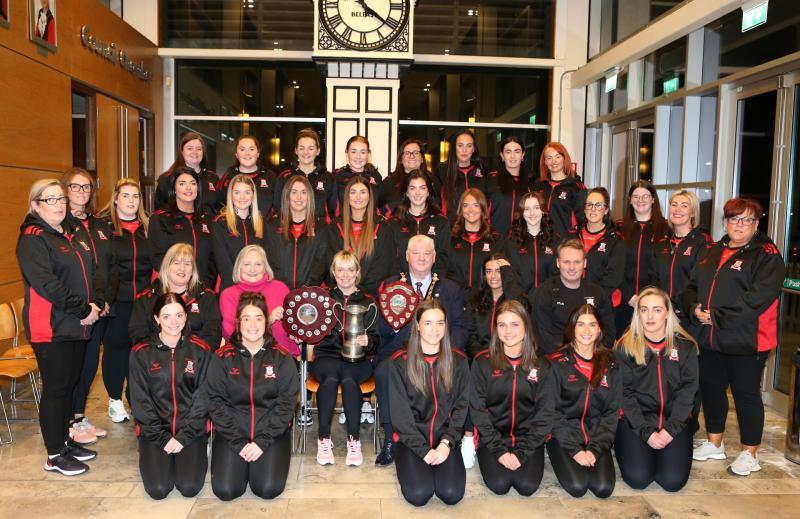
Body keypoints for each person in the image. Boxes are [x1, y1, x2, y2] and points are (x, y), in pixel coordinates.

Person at [684, 198, 785, 476]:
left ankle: (749, 452)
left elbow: (758, 299)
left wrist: (715, 316)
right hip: (710, 337)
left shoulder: (766, 255)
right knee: (711, 388)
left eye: (746, 220)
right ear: (725, 221)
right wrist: (694, 308)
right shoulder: (714, 249)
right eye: (733, 219)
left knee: (745, 395)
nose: (739, 225)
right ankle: (715, 442)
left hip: (746, 339)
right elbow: (692, 285)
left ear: (756, 224)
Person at [16, 179, 104, 476]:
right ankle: (54, 454)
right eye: (50, 199)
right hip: (52, 328)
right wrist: (83, 309)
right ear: (35, 205)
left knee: (69, 387)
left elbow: (89, 271)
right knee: (56, 390)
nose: (58, 204)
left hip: (77, 324)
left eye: (60, 199)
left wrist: (93, 305)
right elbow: (47, 285)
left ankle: (65, 441)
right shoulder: (33, 238)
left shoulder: (67, 233)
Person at [375, 235, 468, 466]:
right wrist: (396, 324)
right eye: (416, 253)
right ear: (406, 256)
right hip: (398, 354)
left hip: (438, 353)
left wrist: (447, 352)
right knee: (385, 372)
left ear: (434, 257)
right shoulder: (391, 285)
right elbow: (381, 329)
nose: (421, 258)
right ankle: (390, 437)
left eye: (427, 253)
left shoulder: (450, 288)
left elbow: (458, 326)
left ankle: (443, 436)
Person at [205, 292, 298, 500]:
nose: (252, 324)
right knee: (226, 491)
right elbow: (215, 402)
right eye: (246, 318)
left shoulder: (282, 358)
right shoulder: (222, 358)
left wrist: (262, 442)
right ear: (238, 323)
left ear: (267, 322)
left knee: (267, 489)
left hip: (271, 433)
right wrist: (238, 442)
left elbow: (287, 404)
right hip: (232, 434)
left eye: (259, 318)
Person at [614, 287, 698, 492]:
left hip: (673, 422)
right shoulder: (624, 347)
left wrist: (671, 431)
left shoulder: (686, 347)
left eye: (657, 310)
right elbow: (624, 394)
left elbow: (688, 392)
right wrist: (647, 433)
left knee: (672, 482)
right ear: (638, 313)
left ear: (668, 313)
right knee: (639, 479)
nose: (650, 316)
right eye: (644, 310)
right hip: (636, 422)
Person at [129, 293, 211, 500]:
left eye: (179, 315)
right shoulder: (141, 352)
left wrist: (184, 436)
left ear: (186, 317)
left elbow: (204, 398)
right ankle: (153, 453)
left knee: (189, 487)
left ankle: (196, 450)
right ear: (156, 319)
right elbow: (139, 400)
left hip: (191, 430)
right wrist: (161, 438)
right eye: (166, 316)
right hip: (155, 431)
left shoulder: (201, 350)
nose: (173, 322)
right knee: (158, 489)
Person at [389, 299, 470, 506]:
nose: (435, 329)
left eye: (440, 323)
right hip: (411, 441)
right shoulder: (399, 363)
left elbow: (461, 407)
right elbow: (400, 416)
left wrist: (446, 443)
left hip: (444, 440)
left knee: (451, 494)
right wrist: (423, 450)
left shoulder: (458, 361)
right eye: (428, 323)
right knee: (419, 495)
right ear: (417, 325)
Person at [470, 300, 554, 496]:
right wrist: (499, 450)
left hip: (529, 439)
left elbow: (545, 413)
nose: (508, 331)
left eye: (514, 324)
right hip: (492, 439)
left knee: (527, 487)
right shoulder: (482, 362)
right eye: (502, 325)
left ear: (526, 326)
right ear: (496, 328)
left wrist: (523, 453)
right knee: (499, 485)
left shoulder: (542, 365)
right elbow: (477, 410)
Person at [309, 251, 377, 466]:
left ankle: (353, 441)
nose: (345, 275)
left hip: (358, 359)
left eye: (350, 269)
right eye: (340, 269)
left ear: (357, 272)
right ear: (333, 272)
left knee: (349, 381)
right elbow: (309, 327)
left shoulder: (369, 301)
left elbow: (377, 337)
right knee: (329, 379)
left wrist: (369, 341)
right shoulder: (323, 298)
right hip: (326, 355)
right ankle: (323, 438)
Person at [547, 304, 620, 498]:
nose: (586, 331)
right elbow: (551, 411)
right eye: (580, 324)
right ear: (572, 328)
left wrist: (595, 449)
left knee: (603, 488)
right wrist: (575, 450)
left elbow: (612, 412)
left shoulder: (611, 363)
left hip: (596, 438)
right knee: (577, 487)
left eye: (592, 325)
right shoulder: (556, 363)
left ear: (599, 330)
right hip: (563, 437)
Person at [99, 179, 154, 423]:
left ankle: (136, 399)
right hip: (116, 301)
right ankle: (114, 400)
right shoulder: (104, 228)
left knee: (140, 352)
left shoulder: (148, 227)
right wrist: (104, 298)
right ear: (116, 198)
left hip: (143, 301)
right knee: (116, 351)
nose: (131, 201)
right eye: (126, 195)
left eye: (135, 196)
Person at [61, 169, 110, 442]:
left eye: (86, 187)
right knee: (73, 369)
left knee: (90, 366)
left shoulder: (100, 224)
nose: (81, 192)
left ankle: (79, 417)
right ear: (65, 189)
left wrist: (102, 301)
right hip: (75, 313)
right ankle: (68, 421)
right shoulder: (61, 224)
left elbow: (106, 267)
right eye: (76, 187)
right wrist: (86, 306)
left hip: (98, 308)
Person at [129, 243, 222, 349]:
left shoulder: (207, 297)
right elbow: (138, 336)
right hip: (156, 361)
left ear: (193, 270)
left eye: (187, 264)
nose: (182, 268)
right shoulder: (145, 298)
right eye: (176, 263)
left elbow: (213, 336)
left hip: (196, 360)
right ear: (167, 267)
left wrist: (188, 356)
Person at [530, 239, 615, 354]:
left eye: (577, 262)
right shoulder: (545, 292)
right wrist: (567, 357)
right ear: (558, 263)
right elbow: (542, 336)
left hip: (592, 356)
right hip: (555, 359)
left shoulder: (597, 293)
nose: (571, 267)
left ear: (584, 263)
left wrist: (591, 355)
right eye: (566, 262)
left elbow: (608, 333)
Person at [319, 175, 392, 297]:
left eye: (363, 192)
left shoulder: (383, 227)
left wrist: (361, 293)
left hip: (370, 296)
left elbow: (382, 266)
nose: (358, 197)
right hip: (339, 295)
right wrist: (345, 289)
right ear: (347, 197)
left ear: (369, 197)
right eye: (353, 192)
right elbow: (330, 262)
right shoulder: (334, 227)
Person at [218, 245, 297, 356]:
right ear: (239, 267)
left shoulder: (281, 288)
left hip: (283, 357)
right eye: (247, 264)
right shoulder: (228, 295)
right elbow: (231, 333)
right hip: (243, 359)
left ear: (265, 267)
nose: (252, 270)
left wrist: (295, 334)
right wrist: (268, 321)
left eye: (258, 264)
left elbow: (293, 325)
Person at [149, 167, 216, 287]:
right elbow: (158, 258)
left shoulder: (208, 218)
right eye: (182, 183)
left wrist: (205, 286)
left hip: (203, 289)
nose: (188, 188)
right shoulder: (160, 218)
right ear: (174, 188)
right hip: (173, 287)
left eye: (193, 183)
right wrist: (180, 283)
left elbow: (213, 258)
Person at [616, 181, 668, 336]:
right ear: (630, 200)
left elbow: (664, 268)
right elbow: (613, 266)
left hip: (654, 304)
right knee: (624, 350)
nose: (640, 200)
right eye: (636, 196)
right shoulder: (618, 228)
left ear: (653, 199)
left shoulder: (666, 228)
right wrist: (629, 296)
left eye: (645, 196)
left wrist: (648, 297)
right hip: (624, 302)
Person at [651, 190, 711, 324]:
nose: (677, 209)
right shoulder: (661, 244)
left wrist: (676, 308)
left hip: (687, 316)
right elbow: (654, 280)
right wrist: (662, 307)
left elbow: (698, 282)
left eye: (684, 205)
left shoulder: (703, 242)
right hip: (662, 314)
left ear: (693, 212)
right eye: (674, 204)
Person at [566, 187, 625, 315]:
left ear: (606, 210)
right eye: (589, 205)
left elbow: (613, 276)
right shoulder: (572, 234)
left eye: (598, 205)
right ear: (584, 208)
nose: (593, 209)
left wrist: (591, 298)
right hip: (572, 301)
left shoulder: (615, 239)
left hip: (602, 304)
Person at [265, 176, 327, 290]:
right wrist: (282, 288)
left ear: (309, 196)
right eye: (294, 192)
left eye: (303, 192)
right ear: (287, 196)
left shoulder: (321, 227)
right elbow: (270, 261)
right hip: (278, 291)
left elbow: (320, 265)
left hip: (309, 293)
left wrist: (306, 289)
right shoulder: (272, 226)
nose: (299, 197)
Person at [387, 170, 449, 276]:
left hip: (433, 285)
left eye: (422, 188)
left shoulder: (441, 222)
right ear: (406, 192)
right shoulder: (394, 222)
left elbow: (444, 258)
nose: (417, 193)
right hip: (401, 285)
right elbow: (390, 259)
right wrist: (401, 283)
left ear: (428, 191)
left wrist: (431, 283)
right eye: (412, 188)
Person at [446, 189, 505, 297]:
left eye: (475, 205)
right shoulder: (451, 238)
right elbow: (447, 273)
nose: (470, 210)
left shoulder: (496, 239)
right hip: (455, 298)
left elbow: (501, 273)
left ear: (483, 209)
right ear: (461, 210)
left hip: (485, 301)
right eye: (466, 205)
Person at [466, 253, 526, 360]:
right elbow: (470, 334)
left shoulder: (515, 296)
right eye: (489, 271)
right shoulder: (475, 299)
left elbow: (520, 311)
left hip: (509, 358)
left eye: (498, 271)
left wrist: (507, 275)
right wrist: (481, 357)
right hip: (481, 359)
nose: (493, 276)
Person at [212, 174, 265, 290]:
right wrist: (238, 289)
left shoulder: (261, 222)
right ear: (231, 195)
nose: (242, 197)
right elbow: (223, 262)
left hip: (258, 288)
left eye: (247, 192)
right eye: (237, 192)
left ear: (253, 195)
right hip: (230, 288)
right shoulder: (220, 223)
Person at [274, 128, 337, 222]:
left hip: (319, 232)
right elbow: (278, 207)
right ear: (296, 150)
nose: (306, 152)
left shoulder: (328, 178)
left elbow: (333, 209)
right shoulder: (284, 177)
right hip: (290, 232)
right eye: (301, 148)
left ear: (318, 151)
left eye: (310, 148)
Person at [505, 191, 558, 295]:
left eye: (536, 208)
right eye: (527, 209)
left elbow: (557, 276)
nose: (532, 213)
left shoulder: (555, 241)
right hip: (520, 303)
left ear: (543, 211)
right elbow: (509, 276)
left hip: (547, 303)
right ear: (522, 213)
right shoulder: (511, 242)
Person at [532, 142, 587, 238]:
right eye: (549, 158)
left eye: (557, 157)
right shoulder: (537, 185)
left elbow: (583, 220)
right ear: (544, 162)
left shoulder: (576, 187)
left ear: (564, 158)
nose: (554, 161)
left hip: (564, 244)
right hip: (540, 241)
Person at [157, 132, 219, 213]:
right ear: (181, 151)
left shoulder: (213, 178)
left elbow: (220, 208)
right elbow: (159, 209)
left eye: (199, 149)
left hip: (209, 225)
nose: (195, 152)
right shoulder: (167, 178)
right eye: (190, 148)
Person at [216, 135, 276, 218]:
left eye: (251, 149)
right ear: (236, 154)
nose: (247, 153)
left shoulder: (270, 176)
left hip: (264, 229)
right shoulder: (228, 176)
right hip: (234, 229)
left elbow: (278, 207)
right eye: (242, 149)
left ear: (258, 153)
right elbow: (219, 204)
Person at [487, 136, 533, 235]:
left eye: (517, 151)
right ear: (502, 156)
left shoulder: (531, 184)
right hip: (494, 241)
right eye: (508, 152)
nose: (513, 156)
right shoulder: (490, 180)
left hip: (521, 242)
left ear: (523, 155)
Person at [380, 138, 437, 217]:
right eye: (407, 153)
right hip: (395, 227)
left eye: (416, 153)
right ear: (400, 159)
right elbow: (378, 208)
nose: (411, 156)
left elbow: (438, 207)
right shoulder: (389, 182)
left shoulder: (432, 180)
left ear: (422, 159)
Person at [439, 130, 489, 220]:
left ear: (473, 149)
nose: (464, 150)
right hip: (452, 229)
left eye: (469, 146)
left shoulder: (483, 171)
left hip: (478, 228)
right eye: (460, 145)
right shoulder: (443, 171)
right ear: (454, 148)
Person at [333, 136, 383, 217]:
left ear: (368, 154)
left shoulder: (376, 176)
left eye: (363, 152)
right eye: (353, 152)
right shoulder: (336, 176)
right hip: (343, 226)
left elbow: (380, 205)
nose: (358, 157)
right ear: (347, 153)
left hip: (370, 225)